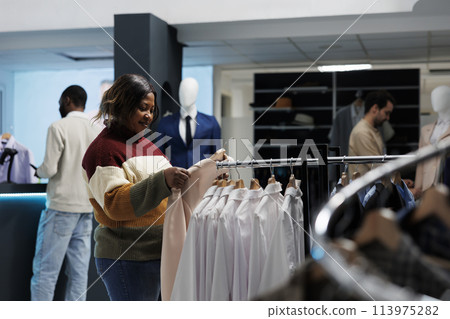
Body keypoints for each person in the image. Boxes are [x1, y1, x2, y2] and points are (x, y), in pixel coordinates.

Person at [81, 74, 195, 301]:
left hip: (158, 253)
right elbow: (115, 203)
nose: (149, 116)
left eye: (152, 110)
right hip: (128, 257)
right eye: (143, 108)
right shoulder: (104, 150)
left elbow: (167, 191)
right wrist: (163, 180)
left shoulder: (146, 144)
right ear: (124, 105)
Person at [30, 85, 101, 301]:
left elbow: (49, 169)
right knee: (79, 275)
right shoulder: (96, 130)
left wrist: (37, 170)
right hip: (86, 209)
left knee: (45, 273)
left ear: (67, 100)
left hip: (61, 208)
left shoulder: (58, 127)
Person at [156, 77, 221, 168]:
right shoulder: (165, 123)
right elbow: (158, 156)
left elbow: (217, 155)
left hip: (203, 178)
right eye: (182, 92)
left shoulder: (211, 123)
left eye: (190, 92)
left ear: (196, 93)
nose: (185, 96)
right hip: (174, 178)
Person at [411, 85, 450, 199]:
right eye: (433, 97)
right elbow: (421, 161)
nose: (434, 100)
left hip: (445, 181)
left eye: (440, 97)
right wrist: (418, 186)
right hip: (427, 185)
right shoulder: (425, 130)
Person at [348, 90, 395, 177]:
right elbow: (377, 167)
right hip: (365, 189)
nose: (388, 118)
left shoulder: (372, 130)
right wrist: (398, 182)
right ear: (375, 108)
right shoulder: (362, 132)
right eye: (386, 113)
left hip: (372, 188)